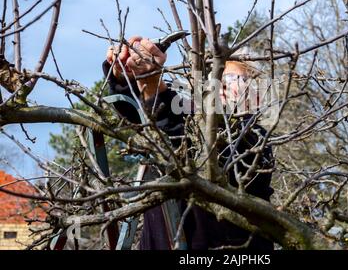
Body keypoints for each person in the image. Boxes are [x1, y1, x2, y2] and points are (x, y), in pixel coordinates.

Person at [103, 36, 274, 250]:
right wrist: (123, 76)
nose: (217, 85)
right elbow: (142, 116)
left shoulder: (256, 139)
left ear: (256, 95)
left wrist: (152, 84)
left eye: (229, 79)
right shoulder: (192, 119)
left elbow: (196, 138)